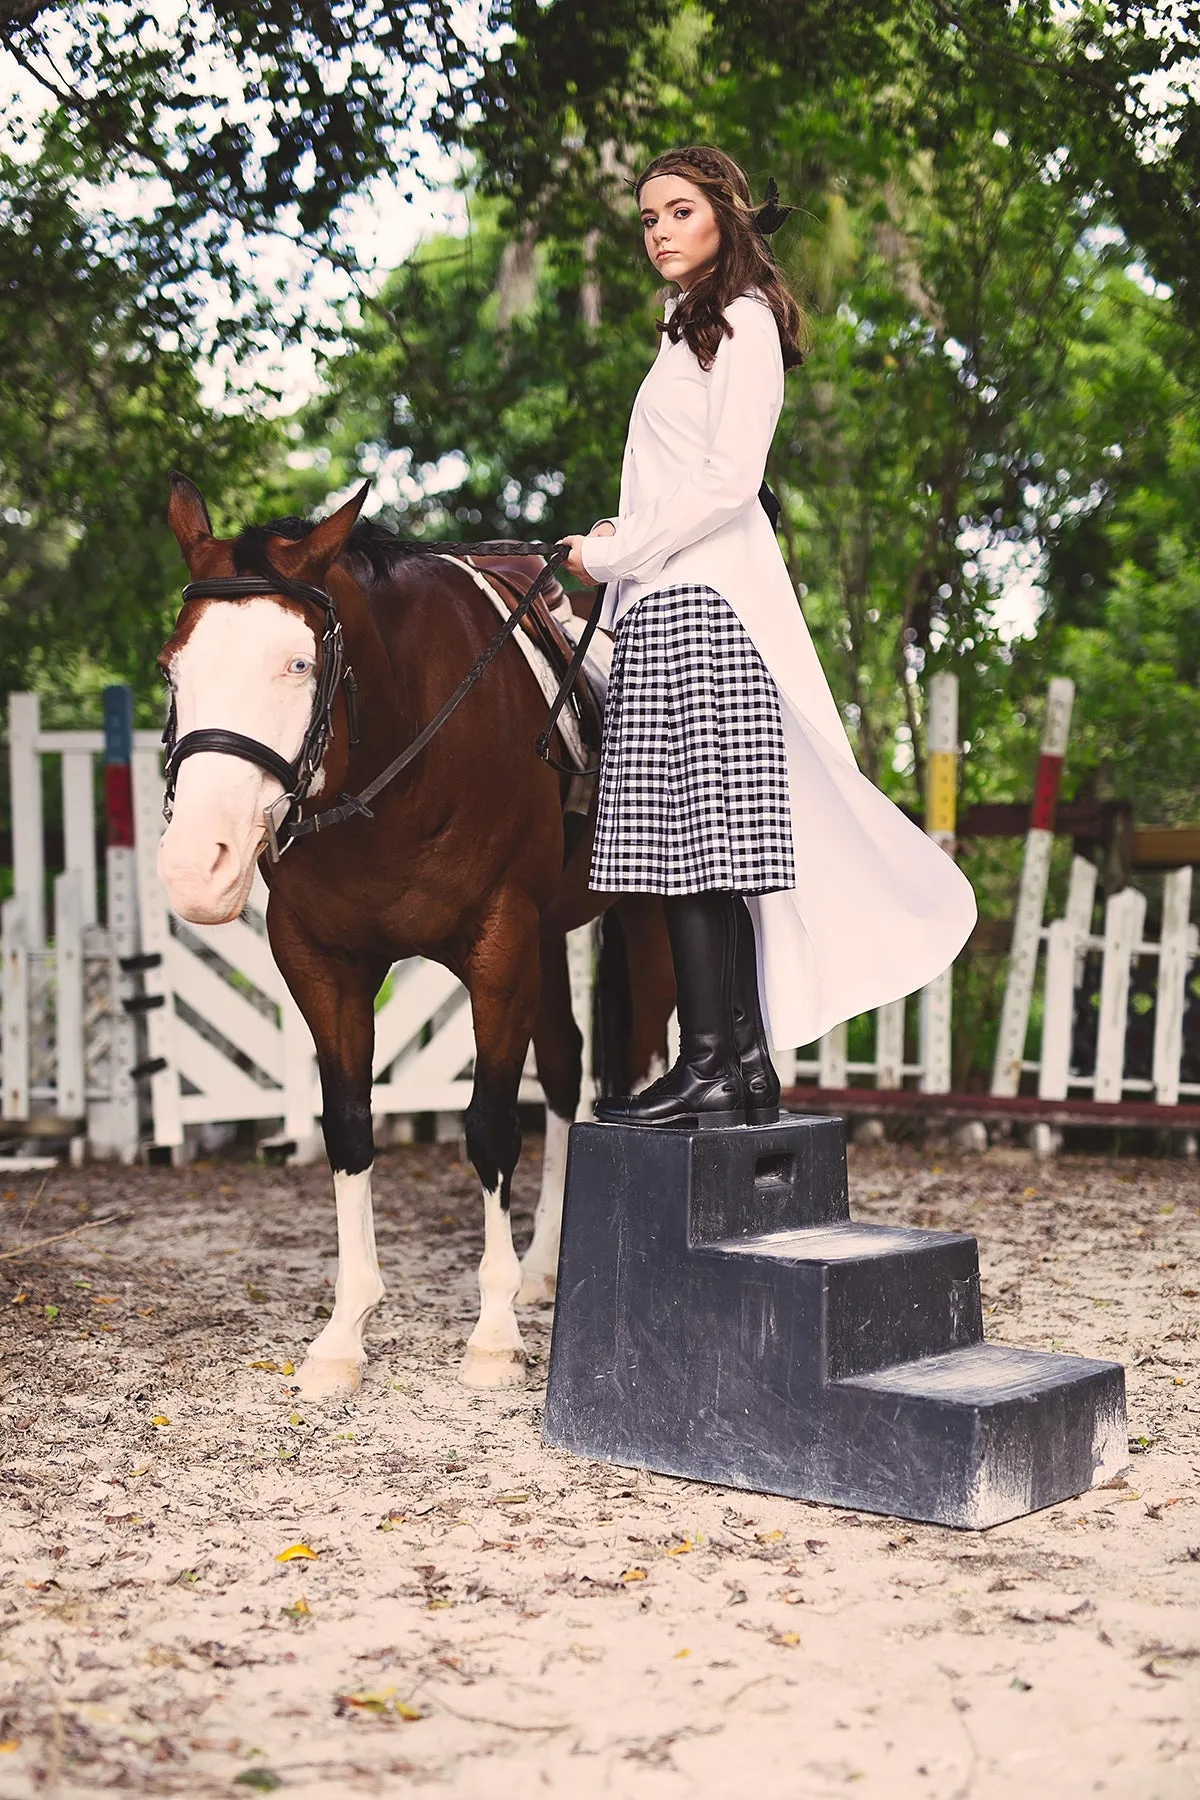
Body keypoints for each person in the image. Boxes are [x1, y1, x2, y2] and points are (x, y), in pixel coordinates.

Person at [558, 145, 976, 1129]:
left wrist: (617, 553)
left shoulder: (739, 320)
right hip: (668, 600)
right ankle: (737, 1067)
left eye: (676, 210)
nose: (657, 229)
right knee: (693, 841)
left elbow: (729, 480)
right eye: (647, 216)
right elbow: (680, 484)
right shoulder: (684, 329)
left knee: (698, 844)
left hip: (702, 604)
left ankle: (712, 1063)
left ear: (726, 217)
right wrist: (624, 542)